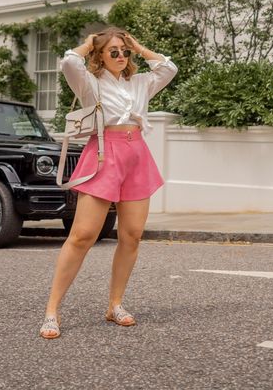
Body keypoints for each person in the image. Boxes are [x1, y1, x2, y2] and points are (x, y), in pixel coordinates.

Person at [39, 26, 178, 339]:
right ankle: (52, 310)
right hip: (104, 152)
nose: (120, 56)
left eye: (123, 51)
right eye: (113, 51)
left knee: (132, 234)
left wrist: (139, 47)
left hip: (136, 154)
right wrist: (89, 42)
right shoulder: (91, 82)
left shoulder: (141, 82)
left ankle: (115, 305)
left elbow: (169, 67)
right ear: (100, 55)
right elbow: (69, 63)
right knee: (83, 235)